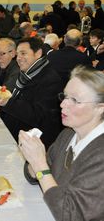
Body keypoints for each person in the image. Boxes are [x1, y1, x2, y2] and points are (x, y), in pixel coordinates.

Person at [18, 66, 104, 221]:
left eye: (75, 100)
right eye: (64, 96)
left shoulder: (100, 154)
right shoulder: (69, 134)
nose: (63, 104)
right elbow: (34, 175)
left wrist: (39, 164)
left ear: (100, 108)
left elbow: (71, 214)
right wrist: (33, 159)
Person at [0, 37, 63, 148]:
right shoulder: (27, 74)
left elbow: (39, 116)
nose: (19, 58)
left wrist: (7, 103)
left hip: (34, 144)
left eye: (23, 53)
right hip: (17, 136)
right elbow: (20, 104)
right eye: (18, 54)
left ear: (38, 53)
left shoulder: (49, 80)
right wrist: (0, 108)